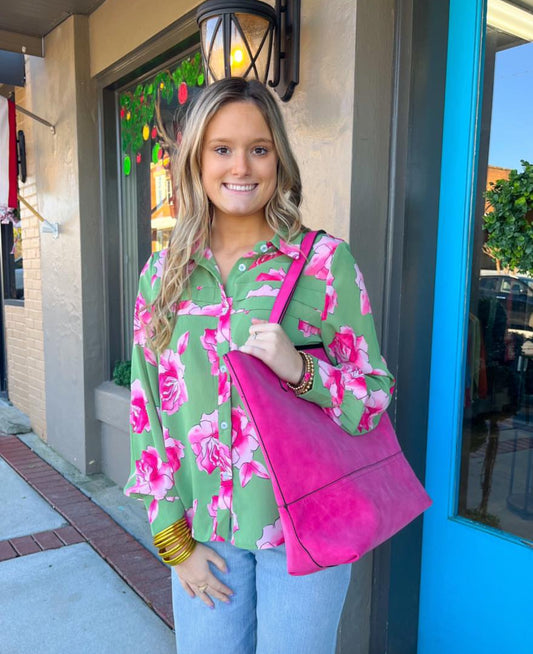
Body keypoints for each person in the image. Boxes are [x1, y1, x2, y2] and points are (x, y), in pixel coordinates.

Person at [125, 77, 395, 654]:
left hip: (304, 528)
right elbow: (147, 416)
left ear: (279, 158)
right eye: (222, 148)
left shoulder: (323, 263)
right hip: (206, 535)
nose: (240, 166)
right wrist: (174, 541)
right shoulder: (162, 274)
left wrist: (300, 369)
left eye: (259, 148)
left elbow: (372, 397)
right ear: (196, 158)